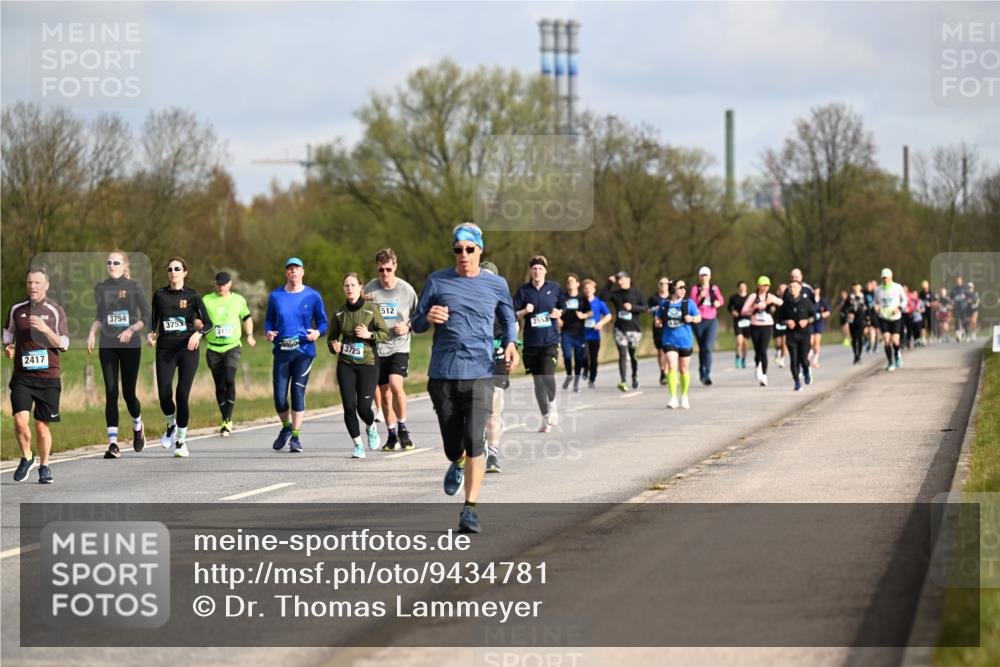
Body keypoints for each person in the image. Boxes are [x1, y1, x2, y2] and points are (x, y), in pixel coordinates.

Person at [411, 222, 519, 534]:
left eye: (469, 249)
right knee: (452, 446)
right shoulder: (437, 281)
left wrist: (511, 343)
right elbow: (416, 322)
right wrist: (427, 317)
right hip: (443, 374)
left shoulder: (496, 284)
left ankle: (470, 509)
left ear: (480, 250)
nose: (463, 254)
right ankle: (455, 462)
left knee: (475, 440)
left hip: (482, 374)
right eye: (458, 249)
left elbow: (508, 317)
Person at [5, 267, 69, 483]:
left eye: (37, 283)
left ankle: (45, 466)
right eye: (30, 282)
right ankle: (26, 457)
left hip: (48, 377)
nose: (33, 286)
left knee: (42, 427)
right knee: (20, 421)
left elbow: (64, 344)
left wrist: (44, 329)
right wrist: (7, 346)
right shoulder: (16, 309)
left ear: (46, 286)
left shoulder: (55, 311)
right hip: (23, 376)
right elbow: (8, 334)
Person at [86, 251, 150, 459]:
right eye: (109, 262)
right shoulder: (101, 287)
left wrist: (131, 330)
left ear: (124, 266)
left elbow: (147, 317)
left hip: (130, 345)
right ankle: (113, 443)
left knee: (128, 393)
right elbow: (100, 316)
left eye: (116, 262)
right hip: (108, 345)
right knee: (111, 392)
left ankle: (138, 425)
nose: (112, 265)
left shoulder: (134, 287)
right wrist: (92, 333)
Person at [148, 257, 212, 458]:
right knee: (164, 395)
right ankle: (170, 423)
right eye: (170, 269)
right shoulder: (159, 295)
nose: (173, 272)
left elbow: (209, 324)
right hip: (165, 350)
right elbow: (153, 321)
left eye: (177, 268)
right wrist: (151, 334)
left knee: (182, 395)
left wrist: (197, 333)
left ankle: (181, 441)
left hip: (187, 349)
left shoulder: (192, 295)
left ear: (185, 272)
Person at [265, 257, 329, 453]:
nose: (293, 272)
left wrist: (317, 333)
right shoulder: (275, 296)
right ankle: (285, 427)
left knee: (297, 392)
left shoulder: (313, 296)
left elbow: (323, 323)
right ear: (286, 273)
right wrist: (269, 332)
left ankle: (295, 437)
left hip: (304, 352)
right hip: (282, 352)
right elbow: (269, 321)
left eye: (297, 269)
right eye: (290, 269)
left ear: (303, 272)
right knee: (279, 398)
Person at [328, 272, 390, 458]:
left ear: (360, 287)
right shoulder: (339, 313)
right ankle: (358, 445)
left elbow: (384, 334)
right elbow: (332, 337)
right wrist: (334, 346)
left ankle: (371, 426)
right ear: (343, 289)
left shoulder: (371, 309)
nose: (349, 289)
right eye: (346, 286)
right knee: (348, 407)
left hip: (368, 363)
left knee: (364, 408)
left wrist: (369, 335)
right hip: (346, 364)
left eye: (353, 285)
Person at [363, 248, 419, 451]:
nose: (385, 274)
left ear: (395, 266)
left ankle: (403, 428)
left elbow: (418, 316)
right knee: (384, 394)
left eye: (388, 269)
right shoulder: (370, 290)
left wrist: (407, 327)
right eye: (381, 270)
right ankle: (392, 433)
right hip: (378, 347)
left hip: (399, 346)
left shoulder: (406, 290)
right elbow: (362, 313)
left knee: (396, 385)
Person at [513, 256, 565, 432]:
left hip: (550, 340)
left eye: (540, 269)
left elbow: (562, 307)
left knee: (547, 375)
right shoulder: (523, 291)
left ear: (545, 271)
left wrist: (559, 313)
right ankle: (545, 417)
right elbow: (512, 314)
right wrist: (523, 311)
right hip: (531, 342)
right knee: (538, 382)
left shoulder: (555, 288)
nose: (537, 271)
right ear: (530, 271)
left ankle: (553, 406)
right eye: (534, 269)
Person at [202, 272, 255, 437]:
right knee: (219, 384)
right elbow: (197, 319)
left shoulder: (238, 300)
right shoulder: (206, 300)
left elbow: (246, 317)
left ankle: (228, 419)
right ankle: (224, 418)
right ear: (215, 284)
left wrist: (250, 335)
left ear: (230, 284)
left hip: (232, 346)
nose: (221, 287)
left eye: (224, 284)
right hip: (213, 348)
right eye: (218, 284)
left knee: (230, 379)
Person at [480, 260, 517, 473]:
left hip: (498, 357)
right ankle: (479, 438)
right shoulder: (468, 299)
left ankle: (492, 454)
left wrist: (511, 348)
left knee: (494, 406)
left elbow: (511, 328)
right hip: (474, 359)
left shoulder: (502, 302)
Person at [654, 279, 701, 408]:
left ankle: (684, 396)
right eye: (680, 287)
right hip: (669, 340)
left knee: (684, 369)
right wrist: (657, 322)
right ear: (673, 288)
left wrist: (691, 318)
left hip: (685, 340)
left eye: (685, 287)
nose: (683, 290)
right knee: (671, 366)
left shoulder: (689, 303)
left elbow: (698, 317)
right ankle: (673, 397)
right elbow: (657, 317)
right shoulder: (664, 303)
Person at [600, 271, 647, 391]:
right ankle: (623, 381)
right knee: (622, 354)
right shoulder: (616, 294)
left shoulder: (637, 293)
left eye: (621, 279)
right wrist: (609, 283)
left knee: (632, 355)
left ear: (628, 279)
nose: (619, 281)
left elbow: (645, 308)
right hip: (620, 329)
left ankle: (635, 376)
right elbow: (603, 297)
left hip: (634, 329)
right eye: (618, 279)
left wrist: (633, 308)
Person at [741, 276, 783, 387]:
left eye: (767, 285)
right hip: (755, 326)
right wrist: (754, 307)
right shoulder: (753, 296)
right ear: (758, 286)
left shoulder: (770, 296)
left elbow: (781, 302)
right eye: (763, 285)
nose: (765, 287)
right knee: (757, 350)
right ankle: (757, 366)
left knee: (763, 350)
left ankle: (764, 375)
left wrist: (773, 302)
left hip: (767, 326)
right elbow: (743, 311)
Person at [777, 280, 815, 391]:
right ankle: (797, 382)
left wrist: (807, 321)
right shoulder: (785, 304)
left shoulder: (806, 302)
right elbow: (778, 320)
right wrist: (787, 322)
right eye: (790, 287)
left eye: (794, 286)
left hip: (804, 335)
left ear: (800, 289)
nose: (792, 288)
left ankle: (806, 370)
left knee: (803, 359)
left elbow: (815, 316)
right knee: (794, 360)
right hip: (791, 335)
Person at [689, 266, 725, 385]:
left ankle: (707, 374)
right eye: (702, 275)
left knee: (708, 348)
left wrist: (717, 303)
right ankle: (702, 369)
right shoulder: (695, 289)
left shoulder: (714, 288)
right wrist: (700, 296)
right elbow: (691, 303)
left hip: (711, 321)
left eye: (706, 275)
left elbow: (721, 300)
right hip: (699, 321)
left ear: (709, 276)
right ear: (700, 277)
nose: (704, 277)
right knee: (702, 348)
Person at [559, 273, 590, 393]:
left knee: (578, 359)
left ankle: (576, 383)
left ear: (577, 284)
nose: (570, 283)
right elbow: (556, 310)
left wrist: (584, 315)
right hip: (566, 331)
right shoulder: (562, 298)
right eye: (568, 281)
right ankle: (569, 375)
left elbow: (591, 313)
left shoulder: (583, 299)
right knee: (567, 356)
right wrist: (558, 319)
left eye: (572, 281)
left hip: (579, 333)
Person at [874, 267, 908, 371]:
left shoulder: (897, 287)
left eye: (886, 278)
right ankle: (890, 362)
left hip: (896, 318)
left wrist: (899, 308)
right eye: (883, 278)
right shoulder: (878, 289)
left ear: (891, 277)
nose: (885, 280)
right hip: (884, 318)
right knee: (886, 340)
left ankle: (897, 354)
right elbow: (875, 301)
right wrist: (876, 306)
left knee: (895, 341)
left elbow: (905, 300)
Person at [582, 278, 612, 388]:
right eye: (585, 288)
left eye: (590, 288)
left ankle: (592, 379)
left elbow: (609, 315)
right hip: (582, 334)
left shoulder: (599, 303)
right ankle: (585, 368)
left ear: (594, 290)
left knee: (594, 359)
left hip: (594, 335)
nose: (587, 290)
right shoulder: (581, 301)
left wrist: (601, 323)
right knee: (583, 355)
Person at [844, 282, 868, 364]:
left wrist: (868, 319)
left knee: (860, 338)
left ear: (860, 287)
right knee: (854, 339)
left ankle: (859, 356)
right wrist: (848, 313)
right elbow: (844, 308)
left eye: (857, 287)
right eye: (854, 287)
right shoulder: (849, 297)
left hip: (861, 320)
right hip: (852, 320)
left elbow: (868, 308)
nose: (856, 288)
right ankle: (855, 355)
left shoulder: (863, 296)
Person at [728, 281, 750, 369]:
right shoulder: (734, 298)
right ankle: (737, 358)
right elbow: (729, 307)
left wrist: (750, 312)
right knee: (739, 341)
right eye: (741, 286)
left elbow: (754, 307)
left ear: (746, 288)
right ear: (738, 288)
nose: (742, 288)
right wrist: (732, 312)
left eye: (744, 286)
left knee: (745, 343)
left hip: (748, 322)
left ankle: (744, 359)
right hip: (738, 322)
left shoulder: (749, 298)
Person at [809, 286, 830, 368]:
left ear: (819, 290)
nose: (815, 291)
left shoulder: (822, 301)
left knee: (816, 341)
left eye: (817, 289)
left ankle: (815, 360)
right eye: (814, 289)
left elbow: (828, 312)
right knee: (810, 341)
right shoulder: (809, 300)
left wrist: (820, 315)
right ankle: (809, 357)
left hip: (819, 323)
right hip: (810, 323)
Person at [772, 282, 788, 368]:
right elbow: (769, 309)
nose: (782, 290)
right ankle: (777, 352)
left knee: (784, 343)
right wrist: (772, 309)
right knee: (778, 344)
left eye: (784, 289)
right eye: (781, 289)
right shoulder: (774, 299)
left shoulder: (788, 299)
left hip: (785, 322)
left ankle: (782, 359)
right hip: (777, 322)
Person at [950, 276, 968, 342]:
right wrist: (952, 302)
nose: (959, 282)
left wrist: (965, 297)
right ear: (956, 281)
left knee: (964, 321)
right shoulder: (953, 289)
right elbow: (951, 297)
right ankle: (957, 335)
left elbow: (969, 297)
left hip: (963, 307)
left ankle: (965, 335)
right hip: (956, 308)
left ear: (962, 281)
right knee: (957, 321)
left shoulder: (965, 288)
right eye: (957, 281)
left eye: (960, 281)